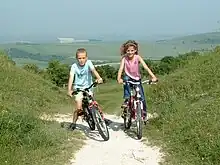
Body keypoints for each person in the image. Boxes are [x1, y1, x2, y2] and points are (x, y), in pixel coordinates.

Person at [117, 40, 157, 121]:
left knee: (142, 98)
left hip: (137, 79)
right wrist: (119, 78)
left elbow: (146, 67)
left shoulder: (137, 57)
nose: (130, 52)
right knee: (126, 80)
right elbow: (121, 68)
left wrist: (153, 77)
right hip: (128, 78)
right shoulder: (124, 58)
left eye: (132, 50)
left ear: (135, 51)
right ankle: (127, 99)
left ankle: (144, 115)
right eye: (128, 50)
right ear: (125, 51)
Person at [67, 48, 103, 130]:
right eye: (79, 58)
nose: (81, 60)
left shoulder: (89, 63)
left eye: (83, 58)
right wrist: (69, 90)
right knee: (79, 107)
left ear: (86, 58)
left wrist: (99, 78)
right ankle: (74, 123)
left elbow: (94, 70)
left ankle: (101, 118)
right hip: (78, 88)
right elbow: (71, 78)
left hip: (88, 87)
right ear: (77, 58)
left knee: (92, 102)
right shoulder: (74, 66)